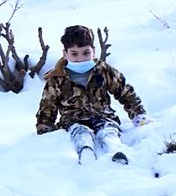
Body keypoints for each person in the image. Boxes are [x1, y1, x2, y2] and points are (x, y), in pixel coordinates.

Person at [35, 25, 152, 165]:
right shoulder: (57, 78)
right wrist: (44, 128)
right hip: (73, 120)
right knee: (80, 132)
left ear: (93, 52)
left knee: (108, 130)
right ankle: (85, 151)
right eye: (74, 54)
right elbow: (48, 105)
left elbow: (124, 91)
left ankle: (115, 149)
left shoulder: (102, 70)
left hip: (103, 115)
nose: (81, 58)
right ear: (65, 54)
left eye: (86, 53)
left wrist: (138, 113)